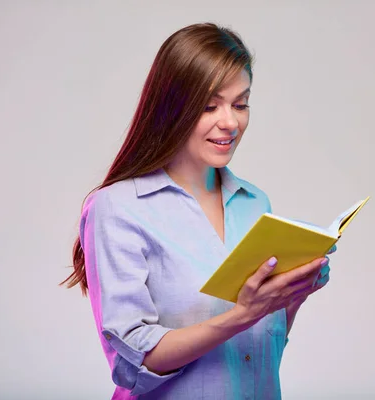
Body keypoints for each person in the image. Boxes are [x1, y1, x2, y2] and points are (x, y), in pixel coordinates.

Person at [61, 22, 334, 400]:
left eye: (241, 104)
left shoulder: (256, 204)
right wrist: (242, 315)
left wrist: (291, 297)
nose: (230, 122)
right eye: (209, 106)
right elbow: (131, 364)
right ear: (171, 108)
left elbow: (257, 357)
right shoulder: (118, 208)